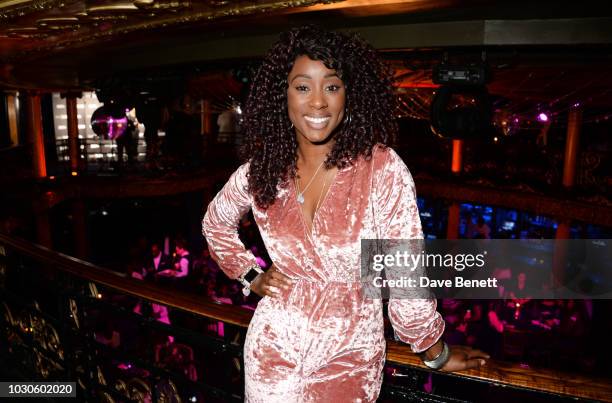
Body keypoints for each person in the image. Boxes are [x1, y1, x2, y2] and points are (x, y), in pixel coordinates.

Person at [202, 25, 488, 402]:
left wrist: (432, 351)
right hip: (272, 350)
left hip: (349, 355)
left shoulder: (381, 169)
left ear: (349, 95)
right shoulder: (261, 171)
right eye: (303, 86)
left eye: (332, 86)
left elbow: (406, 274)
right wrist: (249, 274)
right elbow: (215, 223)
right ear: (282, 96)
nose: (318, 102)